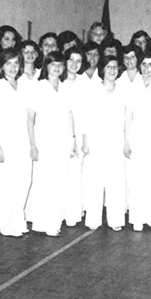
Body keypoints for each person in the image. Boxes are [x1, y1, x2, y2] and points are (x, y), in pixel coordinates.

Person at [26, 52, 78, 236]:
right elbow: (30, 119)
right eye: (52, 64)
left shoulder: (65, 89)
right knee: (45, 182)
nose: (56, 67)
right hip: (44, 141)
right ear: (46, 66)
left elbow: (69, 115)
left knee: (60, 182)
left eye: (59, 64)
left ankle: (55, 219)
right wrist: (32, 145)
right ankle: (44, 223)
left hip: (62, 141)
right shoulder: (38, 87)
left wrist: (72, 140)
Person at [0, 48, 32, 237]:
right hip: (4, 140)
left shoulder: (24, 86)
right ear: (1, 66)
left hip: (22, 140)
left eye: (16, 63)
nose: (13, 67)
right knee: (6, 183)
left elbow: (29, 118)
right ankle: (6, 224)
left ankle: (17, 221)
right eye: (8, 63)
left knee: (24, 181)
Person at [81, 56, 128, 231]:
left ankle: (115, 219)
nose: (112, 70)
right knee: (94, 181)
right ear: (102, 69)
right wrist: (86, 142)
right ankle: (93, 219)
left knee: (116, 181)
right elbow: (85, 117)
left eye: (115, 67)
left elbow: (127, 119)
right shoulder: (92, 91)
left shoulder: (122, 92)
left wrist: (126, 141)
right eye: (108, 66)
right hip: (96, 141)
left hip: (116, 141)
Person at [126, 51, 151, 231]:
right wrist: (126, 142)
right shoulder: (133, 87)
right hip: (137, 138)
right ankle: (137, 219)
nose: (147, 68)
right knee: (137, 179)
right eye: (143, 64)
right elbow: (128, 116)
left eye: (150, 64)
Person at [62, 46, 90, 227]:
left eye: (78, 61)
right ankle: (59, 211)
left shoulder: (85, 83)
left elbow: (88, 113)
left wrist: (85, 139)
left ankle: (72, 214)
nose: (74, 64)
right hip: (58, 133)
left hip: (78, 134)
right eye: (71, 60)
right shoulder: (58, 81)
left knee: (75, 174)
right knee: (60, 174)